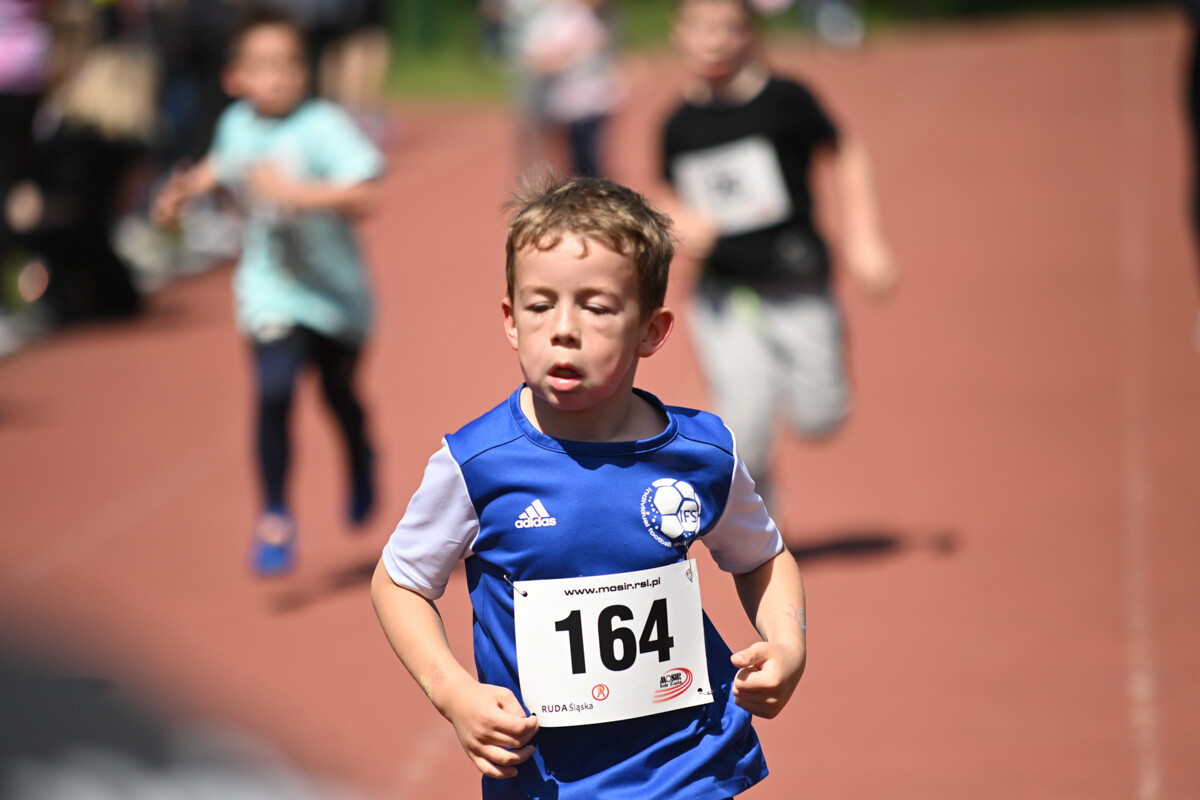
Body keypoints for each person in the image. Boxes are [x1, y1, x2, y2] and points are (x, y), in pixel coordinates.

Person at [371, 175, 807, 799]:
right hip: (546, 779)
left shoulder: (703, 454)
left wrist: (787, 643)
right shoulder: (476, 464)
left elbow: (762, 555)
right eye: (539, 305)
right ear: (510, 320)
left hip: (689, 765)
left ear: (651, 331)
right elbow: (400, 582)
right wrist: (454, 693)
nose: (564, 329)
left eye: (597, 307)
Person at [152, 6, 385, 576]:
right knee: (274, 389)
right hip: (270, 286)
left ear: (305, 72)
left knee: (337, 395)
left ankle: (359, 454)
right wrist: (182, 192)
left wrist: (296, 194)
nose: (277, 76)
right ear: (235, 77)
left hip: (335, 295)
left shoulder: (322, 124)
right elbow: (221, 166)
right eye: (263, 66)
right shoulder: (237, 124)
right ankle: (275, 515)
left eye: (289, 64)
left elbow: (365, 194)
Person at [658, 0, 896, 514]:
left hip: (797, 282)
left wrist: (865, 239)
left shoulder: (786, 100)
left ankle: (812, 380)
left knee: (819, 417)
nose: (714, 40)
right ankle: (765, 531)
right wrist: (678, 221)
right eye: (700, 27)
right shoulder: (677, 123)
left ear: (751, 33)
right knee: (744, 425)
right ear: (679, 32)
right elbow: (669, 194)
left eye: (727, 28)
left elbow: (846, 152)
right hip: (725, 293)